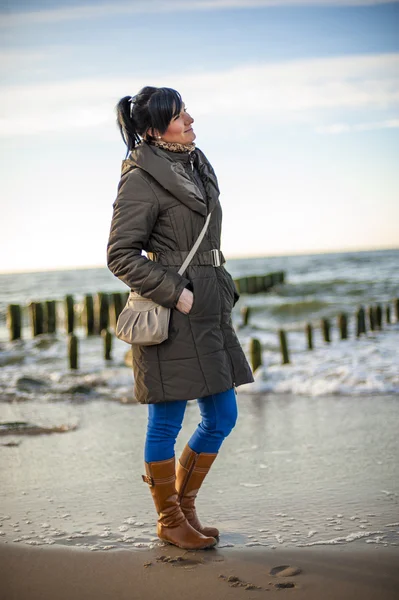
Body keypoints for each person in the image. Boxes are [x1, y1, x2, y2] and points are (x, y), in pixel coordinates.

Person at [107, 86, 254, 550]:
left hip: (210, 307)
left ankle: (184, 510)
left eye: (186, 110)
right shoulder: (139, 177)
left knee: (222, 416)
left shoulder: (194, 164)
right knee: (165, 423)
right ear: (152, 129)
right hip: (174, 312)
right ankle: (169, 520)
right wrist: (178, 295)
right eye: (178, 115)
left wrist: (218, 289)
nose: (190, 119)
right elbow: (120, 255)